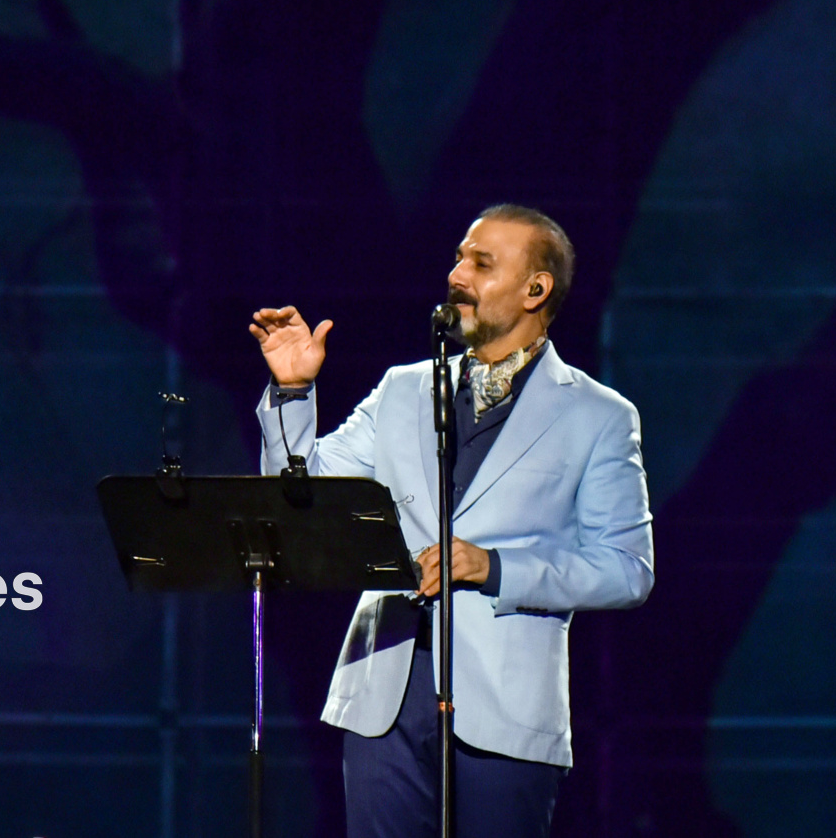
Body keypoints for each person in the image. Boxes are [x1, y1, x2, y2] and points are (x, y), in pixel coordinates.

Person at [250, 205, 654, 838]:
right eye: (459, 258)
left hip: (505, 706)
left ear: (536, 289)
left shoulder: (598, 416)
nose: (457, 275)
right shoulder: (402, 389)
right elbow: (299, 497)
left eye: (481, 264)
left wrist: (494, 567)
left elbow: (626, 571)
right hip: (383, 693)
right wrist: (295, 393)